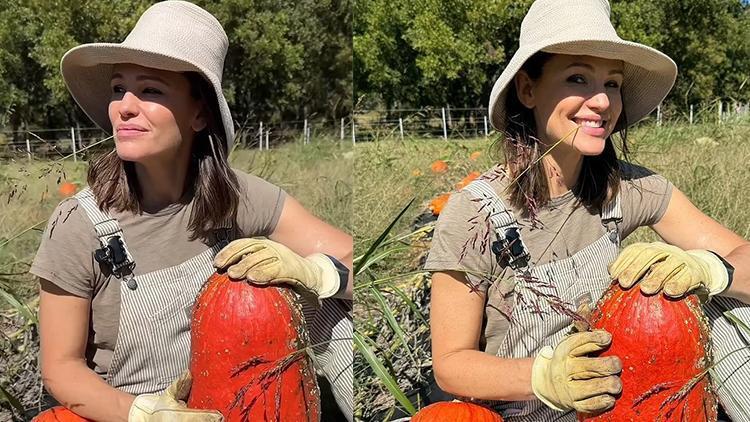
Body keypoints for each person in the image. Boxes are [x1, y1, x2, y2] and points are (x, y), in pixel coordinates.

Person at [424, 0, 750, 421]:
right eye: (577, 77)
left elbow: (743, 257)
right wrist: (547, 377)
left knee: (727, 305)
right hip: (520, 410)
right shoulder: (476, 213)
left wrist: (708, 269)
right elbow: (450, 363)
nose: (601, 101)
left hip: (615, 401)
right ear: (528, 90)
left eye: (612, 84)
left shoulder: (625, 187)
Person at [30, 2, 353, 421]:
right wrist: (145, 414)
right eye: (117, 89)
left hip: (236, 405)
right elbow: (60, 368)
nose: (124, 106)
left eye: (150, 90)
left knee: (334, 303)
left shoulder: (234, 196)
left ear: (199, 113)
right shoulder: (79, 224)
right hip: (133, 410)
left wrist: (315, 273)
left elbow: (351, 257)